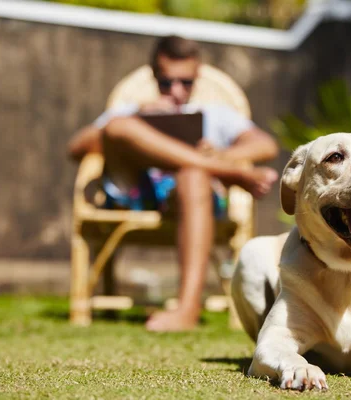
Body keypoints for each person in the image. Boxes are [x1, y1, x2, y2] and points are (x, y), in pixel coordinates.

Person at [67, 35, 279, 332]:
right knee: (119, 127)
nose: (177, 91)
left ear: (197, 76)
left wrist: (223, 153)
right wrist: (142, 117)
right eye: (167, 82)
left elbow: (265, 145)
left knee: (193, 175)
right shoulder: (132, 111)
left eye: (186, 82)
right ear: (155, 76)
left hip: (196, 199)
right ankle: (223, 172)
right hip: (137, 193)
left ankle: (186, 310)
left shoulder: (217, 114)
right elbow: (76, 147)